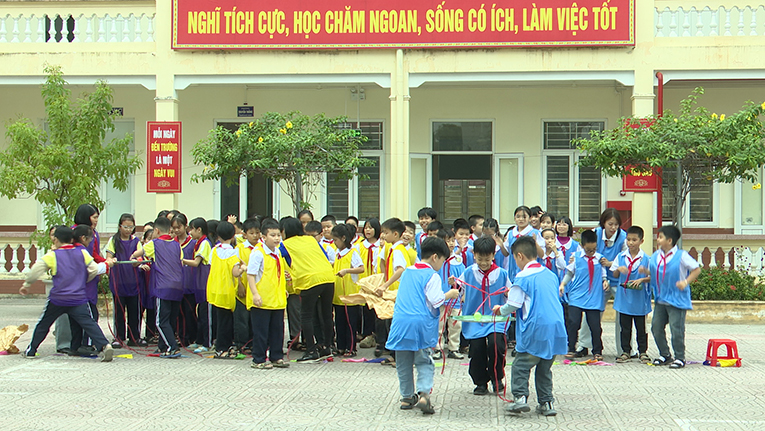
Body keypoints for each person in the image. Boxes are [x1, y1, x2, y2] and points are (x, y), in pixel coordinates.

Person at [493, 236, 567, 416]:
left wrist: (500, 310)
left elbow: (513, 305)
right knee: (544, 367)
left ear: (520, 256)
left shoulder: (522, 277)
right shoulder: (549, 274)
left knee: (521, 365)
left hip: (535, 327)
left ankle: (520, 399)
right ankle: (546, 403)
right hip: (556, 327)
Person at [386, 237, 460, 415]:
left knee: (403, 362)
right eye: (442, 260)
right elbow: (436, 300)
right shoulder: (432, 275)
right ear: (435, 257)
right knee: (424, 361)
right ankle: (424, 395)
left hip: (400, 322)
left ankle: (406, 397)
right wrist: (450, 293)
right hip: (421, 324)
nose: (442, 265)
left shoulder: (407, 272)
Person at [20, 226, 115, 361]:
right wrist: (85, 279)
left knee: (44, 324)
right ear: (71, 239)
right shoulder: (82, 253)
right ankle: (105, 345)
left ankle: (31, 350)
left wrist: (27, 284)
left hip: (58, 298)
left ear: (56, 239)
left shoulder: (53, 255)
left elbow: (35, 270)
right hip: (78, 298)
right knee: (89, 323)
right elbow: (94, 269)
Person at [460, 236, 511, 395]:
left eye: (487, 259)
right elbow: (459, 289)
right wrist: (453, 286)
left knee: (496, 345)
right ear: (474, 254)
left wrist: (508, 295)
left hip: (496, 319)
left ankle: (497, 378)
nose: (483, 263)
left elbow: (510, 293)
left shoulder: (502, 274)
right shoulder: (468, 273)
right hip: (474, 319)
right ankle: (480, 382)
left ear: (493, 255)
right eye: (480, 259)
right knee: (477, 349)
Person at [281, 217, 336, 362]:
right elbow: (324, 256)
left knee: (306, 316)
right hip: (328, 277)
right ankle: (327, 348)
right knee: (327, 315)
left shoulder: (285, 245)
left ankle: (311, 350)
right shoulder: (311, 240)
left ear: (285, 231)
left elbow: (277, 258)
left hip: (309, 280)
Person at [645, 225, 701, 369]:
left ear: (669, 240)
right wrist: (645, 271)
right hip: (661, 298)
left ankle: (680, 357)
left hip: (677, 299)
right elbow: (655, 272)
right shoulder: (656, 255)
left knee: (676, 329)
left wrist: (685, 282)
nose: (658, 240)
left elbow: (696, 269)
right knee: (656, 327)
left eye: (661, 237)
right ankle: (665, 354)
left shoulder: (681, 255)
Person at [131, 216, 184, 358]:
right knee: (171, 320)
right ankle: (162, 346)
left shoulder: (154, 244)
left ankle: (172, 347)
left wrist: (133, 258)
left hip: (163, 287)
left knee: (160, 321)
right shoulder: (177, 245)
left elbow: (137, 254)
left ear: (156, 230)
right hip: (178, 286)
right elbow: (180, 261)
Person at [247, 219, 291, 369]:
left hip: (276, 299)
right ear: (263, 236)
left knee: (277, 330)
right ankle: (258, 359)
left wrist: (282, 288)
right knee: (261, 331)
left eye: (278, 235)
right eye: (272, 235)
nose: (277, 238)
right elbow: (251, 275)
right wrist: (255, 294)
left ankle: (276, 356)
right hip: (262, 299)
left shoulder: (277, 251)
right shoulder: (258, 253)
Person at [559, 230, 608, 361]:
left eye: (594, 249)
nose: (591, 252)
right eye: (588, 250)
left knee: (595, 326)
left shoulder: (600, 259)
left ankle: (597, 350)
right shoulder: (576, 257)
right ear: (582, 245)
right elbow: (569, 273)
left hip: (593, 296)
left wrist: (605, 282)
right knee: (573, 322)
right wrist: (563, 284)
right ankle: (571, 348)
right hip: (577, 295)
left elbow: (604, 275)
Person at [205, 221, 247, 359]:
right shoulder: (233, 253)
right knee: (226, 321)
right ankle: (222, 348)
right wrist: (242, 268)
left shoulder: (214, 250)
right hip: (227, 290)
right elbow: (235, 272)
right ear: (233, 235)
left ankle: (220, 346)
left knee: (219, 320)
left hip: (214, 288)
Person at [610, 226, 652, 364]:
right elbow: (614, 274)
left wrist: (642, 279)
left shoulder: (646, 259)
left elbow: (653, 277)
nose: (631, 243)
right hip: (624, 298)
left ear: (641, 241)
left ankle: (643, 352)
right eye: (628, 240)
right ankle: (625, 351)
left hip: (639, 299)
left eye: (634, 240)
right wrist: (619, 270)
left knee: (641, 327)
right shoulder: (620, 257)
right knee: (625, 327)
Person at [105, 213, 146, 348]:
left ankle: (134, 337)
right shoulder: (114, 240)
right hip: (118, 281)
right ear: (119, 226)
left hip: (133, 281)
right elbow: (108, 257)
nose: (128, 230)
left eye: (131, 227)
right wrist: (111, 260)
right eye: (125, 227)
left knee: (134, 312)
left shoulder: (136, 241)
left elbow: (141, 256)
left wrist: (137, 261)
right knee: (119, 312)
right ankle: (119, 337)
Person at [375, 217, 410, 363]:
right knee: (391, 323)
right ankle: (394, 355)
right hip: (395, 291)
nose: (383, 235)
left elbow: (400, 270)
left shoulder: (398, 250)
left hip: (398, 291)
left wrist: (385, 285)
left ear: (395, 234)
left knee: (395, 324)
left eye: (386, 232)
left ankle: (398, 357)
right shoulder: (394, 249)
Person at [595, 208, 629, 356]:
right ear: (603, 223)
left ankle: (624, 349)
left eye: (616, 224)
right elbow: (588, 251)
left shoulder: (623, 237)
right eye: (610, 224)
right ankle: (584, 345)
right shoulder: (596, 233)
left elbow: (625, 258)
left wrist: (610, 264)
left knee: (622, 314)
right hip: (599, 281)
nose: (613, 227)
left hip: (617, 280)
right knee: (593, 312)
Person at [68, 224, 103, 356]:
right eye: (90, 238)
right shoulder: (82, 251)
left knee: (74, 320)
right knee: (90, 318)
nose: (91, 241)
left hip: (70, 291)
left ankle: (75, 346)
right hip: (83, 291)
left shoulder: (69, 250)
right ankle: (87, 345)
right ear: (83, 238)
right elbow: (93, 269)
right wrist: (106, 265)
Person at [331, 224, 365, 357]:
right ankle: (341, 346)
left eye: (336, 240)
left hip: (350, 295)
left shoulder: (352, 252)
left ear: (343, 238)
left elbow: (361, 268)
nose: (334, 242)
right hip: (339, 294)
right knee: (339, 322)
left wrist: (347, 271)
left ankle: (351, 348)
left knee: (350, 324)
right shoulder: (337, 253)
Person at [433, 228, 465, 360]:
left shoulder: (458, 260)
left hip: (455, 299)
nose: (451, 243)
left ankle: (454, 348)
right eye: (447, 241)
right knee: (439, 325)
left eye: (452, 240)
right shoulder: (436, 260)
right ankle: (437, 348)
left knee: (456, 324)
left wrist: (461, 290)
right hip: (441, 297)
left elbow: (463, 279)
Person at [183, 217, 214, 352]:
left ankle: (207, 343)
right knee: (200, 314)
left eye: (192, 229)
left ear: (199, 230)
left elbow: (196, 262)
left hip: (205, 283)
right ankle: (199, 340)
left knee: (206, 315)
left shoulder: (205, 243)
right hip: (199, 283)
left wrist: (181, 260)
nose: (190, 232)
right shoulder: (198, 243)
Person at [234, 218, 261, 354]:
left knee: (255, 319)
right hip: (243, 287)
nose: (255, 236)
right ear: (244, 234)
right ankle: (242, 344)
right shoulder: (239, 248)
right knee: (242, 319)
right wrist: (239, 284)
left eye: (257, 232)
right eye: (251, 233)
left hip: (257, 289)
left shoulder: (262, 248)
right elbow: (236, 268)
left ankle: (254, 344)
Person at [171, 213, 198, 348]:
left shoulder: (193, 243)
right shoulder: (171, 243)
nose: (177, 230)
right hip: (175, 283)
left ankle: (191, 337)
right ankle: (181, 337)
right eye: (174, 227)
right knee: (177, 313)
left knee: (189, 312)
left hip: (189, 282)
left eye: (179, 227)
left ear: (186, 226)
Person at [355, 217, 382, 349]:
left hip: (377, 282)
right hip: (364, 281)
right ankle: (366, 334)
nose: (368, 230)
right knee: (365, 309)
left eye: (370, 227)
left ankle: (377, 335)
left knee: (376, 309)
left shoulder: (381, 246)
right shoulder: (359, 246)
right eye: (366, 228)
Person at [504, 206, 545, 281]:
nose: (521, 219)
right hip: (513, 274)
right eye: (518, 217)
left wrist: (535, 242)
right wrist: (500, 244)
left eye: (524, 217)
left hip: (532, 274)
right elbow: (506, 253)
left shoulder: (535, 233)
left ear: (529, 218)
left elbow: (542, 255)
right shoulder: (511, 234)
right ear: (515, 218)